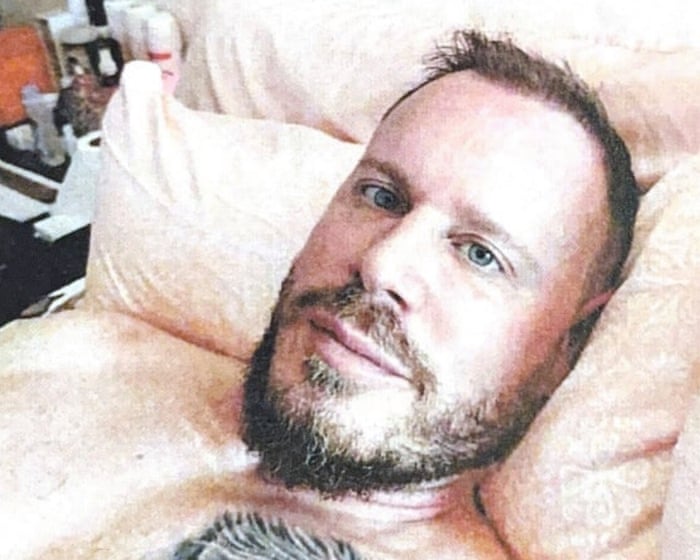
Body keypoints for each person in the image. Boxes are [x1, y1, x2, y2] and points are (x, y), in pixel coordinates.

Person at [1, 31, 639, 560]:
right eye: (382, 196)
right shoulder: (85, 350)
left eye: (479, 254)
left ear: (566, 344)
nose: (382, 264)